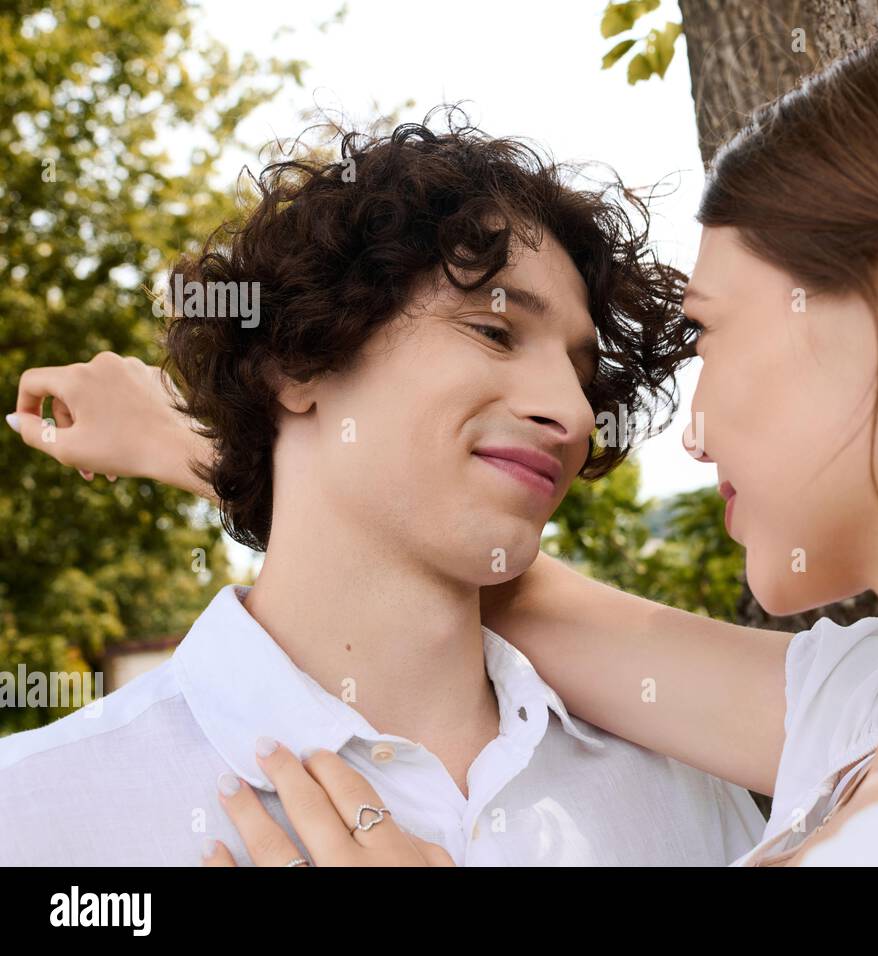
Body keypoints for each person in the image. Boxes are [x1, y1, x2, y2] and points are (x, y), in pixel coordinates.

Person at [10, 0, 878, 866]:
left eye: (713, 333)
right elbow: (512, 580)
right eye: (496, 330)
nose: (591, 418)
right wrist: (235, 431)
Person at [0, 117, 765, 866]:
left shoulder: (685, 787)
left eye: (580, 375)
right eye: (495, 332)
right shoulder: (32, 814)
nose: (571, 413)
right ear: (298, 361)